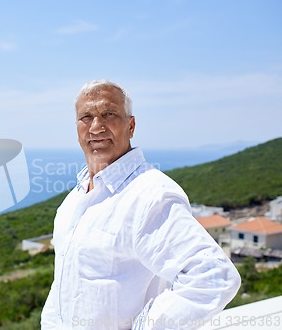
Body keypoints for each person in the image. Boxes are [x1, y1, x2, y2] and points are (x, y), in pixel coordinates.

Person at [40, 79, 241, 330]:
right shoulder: (73, 201)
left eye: (108, 114)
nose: (96, 126)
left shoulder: (151, 194)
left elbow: (214, 277)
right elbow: (62, 286)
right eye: (86, 117)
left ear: (131, 125)